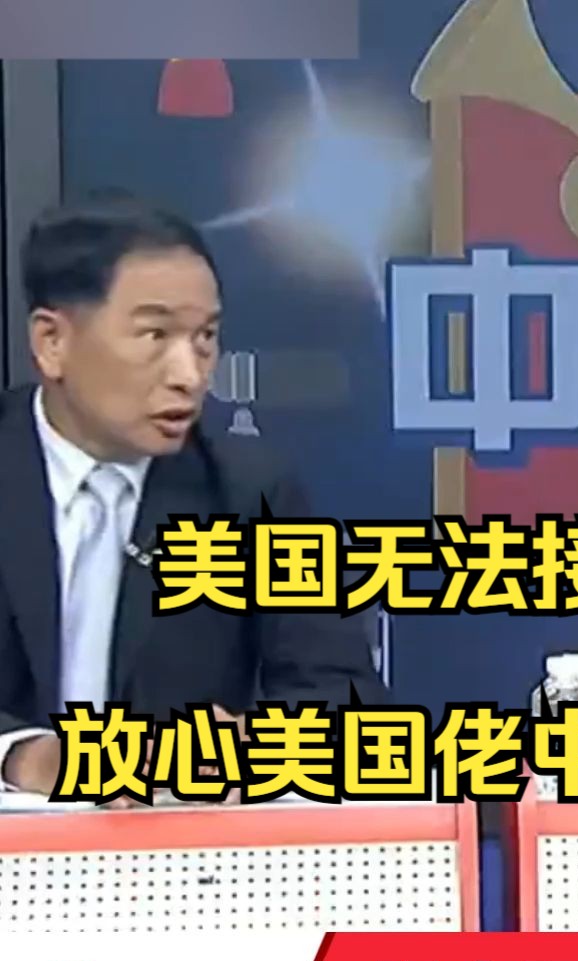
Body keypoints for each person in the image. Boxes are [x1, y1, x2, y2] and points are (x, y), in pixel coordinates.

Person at [0, 193, 383, 796]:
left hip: (177, 843)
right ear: (53, 342)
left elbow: (346, 702)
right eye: (154, 334)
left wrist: (258, 747)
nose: (190, 373)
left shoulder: (250, 494)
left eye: (204, 338)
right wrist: (26, 758)